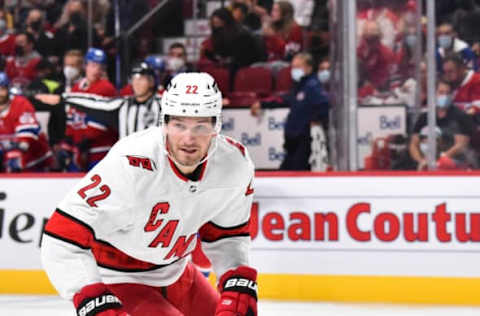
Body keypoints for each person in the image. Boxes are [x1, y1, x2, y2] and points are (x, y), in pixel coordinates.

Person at [41, 72, 258, 316]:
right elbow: (60, 237)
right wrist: (92, 299)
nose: (189, 138)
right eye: (179, 124)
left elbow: (227, 236)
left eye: (200, 125)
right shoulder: (131, 163)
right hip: (118, 277)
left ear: (216, 126)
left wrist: (235, 279)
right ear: (164, 123)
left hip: (177, 272)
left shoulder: (234, 163)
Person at [36, 62, 162, 139]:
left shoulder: (164, 104)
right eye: (134, 78)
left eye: (142, 79)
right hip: (129, 164)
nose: (137, 83)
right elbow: (95, 102)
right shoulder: (123, 104)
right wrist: (64, 98)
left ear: (151, 82)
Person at [251, 52, 329, 170]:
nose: (294, 70)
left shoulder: (312, 86)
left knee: (295, 173)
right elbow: (284, 99)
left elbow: (323, 104)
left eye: (298, 67)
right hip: (293, 141)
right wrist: (262, 103)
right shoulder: (299, 86)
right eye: (293, 67)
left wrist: (315, 120)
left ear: (308, 68)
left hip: (304, 141)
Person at [63, 47, 117, 171]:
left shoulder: (107, 88)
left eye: (100, 66)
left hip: (100, 150)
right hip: (79, 148)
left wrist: (84, 141)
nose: (96, 70)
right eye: (93, 65)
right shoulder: (77, 87)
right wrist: (69, 140)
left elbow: (102, 120)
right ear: (85, 66)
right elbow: (72, 114)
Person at [409, 80, 476, 170]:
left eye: (447, 93)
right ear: (434, 94)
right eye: (441, 92)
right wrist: (421, 161)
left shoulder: (460, 116)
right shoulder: (424, 117)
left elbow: (461, 145)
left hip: (456, 163)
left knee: (444, 164)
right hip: (427, 162)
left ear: (452, 95)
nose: (444, 96)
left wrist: (439, 160)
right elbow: (413, 144)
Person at [0, 72, 52, 172]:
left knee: (14, 156)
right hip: (7, 155)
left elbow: (25, 141)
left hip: (35, 159)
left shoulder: (20, 103)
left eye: (2, 89)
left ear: (8, 89)